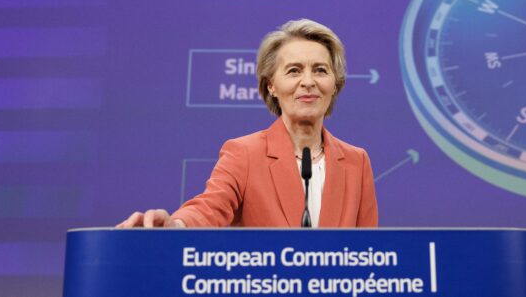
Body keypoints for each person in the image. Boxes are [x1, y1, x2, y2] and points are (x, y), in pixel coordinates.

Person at [117, 19, 378, 228]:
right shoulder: (245, 153)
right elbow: (210, 208)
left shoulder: (357, 161)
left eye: (320, 70)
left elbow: (370, 251)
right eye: (294, 70)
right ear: (271, 86)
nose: (308, 81)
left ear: (335, 84)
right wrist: (176, 225)